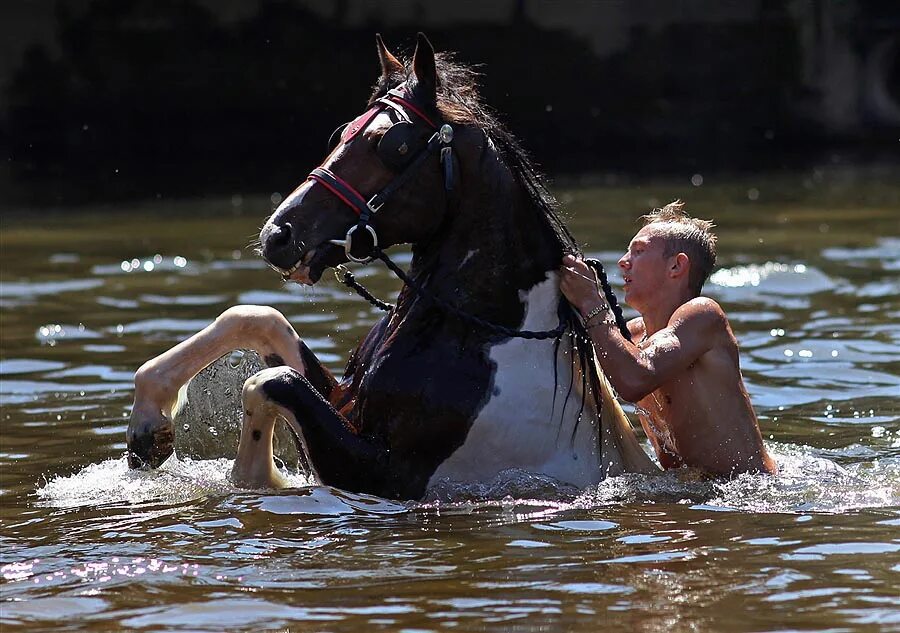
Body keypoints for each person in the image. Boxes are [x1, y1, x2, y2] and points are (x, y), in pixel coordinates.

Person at [560, 200, 776, 476]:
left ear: (676, 266)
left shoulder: (703, 316)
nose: (623, 262)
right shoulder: (631, 336)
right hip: (688, 492)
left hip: (748, 492)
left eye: (638, 251)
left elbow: (636, 378)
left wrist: (592, 304)